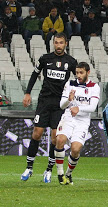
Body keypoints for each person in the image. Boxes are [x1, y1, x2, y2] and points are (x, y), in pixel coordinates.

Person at [21, 33, 77, 183]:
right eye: (56, 42)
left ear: (66, 44)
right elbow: (34, 75)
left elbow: (78, 80)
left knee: (54, 137)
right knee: (37, 133)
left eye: (61, 43)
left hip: (60, 104)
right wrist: (27, 93)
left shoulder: (71, 62)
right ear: (53, 43)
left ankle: (49, 170)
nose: (58, 45)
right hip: (44, 101)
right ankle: (29, 167)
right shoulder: (45, 59)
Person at [55, 62, 101, 185]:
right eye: (77, 73)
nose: (78, 75)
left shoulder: (94, 87)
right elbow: (61, 105)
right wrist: (69, 100)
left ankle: (68, 174)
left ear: (88, 72)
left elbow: (92, 107)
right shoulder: (70, 84)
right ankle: (60, 174)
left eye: (81, 73)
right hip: (68, 117)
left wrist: (78, 108)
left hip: (82, 121)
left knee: (75, 149)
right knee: (60, 139)